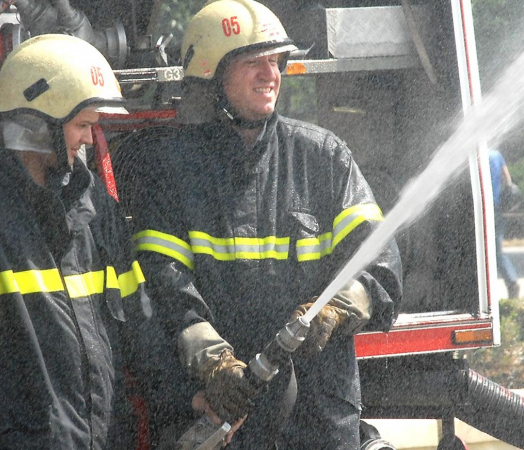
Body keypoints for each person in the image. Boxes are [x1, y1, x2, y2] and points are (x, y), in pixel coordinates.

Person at [115, 0, 403, 448]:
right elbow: (163, 285)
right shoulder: (172, 173)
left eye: (276, 61)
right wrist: (214, 365)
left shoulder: (321, 158)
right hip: (229, 412)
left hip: (320, 417)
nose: (271, 74)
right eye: (253, 63)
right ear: (211, 77)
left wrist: (334, 309)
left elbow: (381, 265)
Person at [0, 34, 148, 450]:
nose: (90, 140)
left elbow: (141, 329)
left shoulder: (95, 208)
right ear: (39, 125)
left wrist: (187, 398)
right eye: (82, 125)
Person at [489, 148, 520, 299]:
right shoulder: (496, 155)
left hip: (476, 209)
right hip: (495, 209)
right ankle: (511, 281)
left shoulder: (472, 156)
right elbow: (508, 182)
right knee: (496, 250)